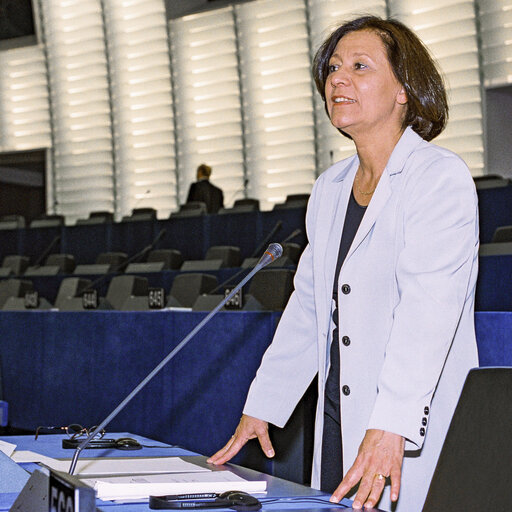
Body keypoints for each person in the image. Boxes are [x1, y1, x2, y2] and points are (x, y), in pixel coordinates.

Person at [207, 15, 479, 512]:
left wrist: (392, 424)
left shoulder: (439, 178)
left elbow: (428, 314)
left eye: (359, 66)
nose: (337, 79)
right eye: (332, 68)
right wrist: (263, 405)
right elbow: (310, 306)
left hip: (404, 424)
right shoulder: (330, 188)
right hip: (338, 416)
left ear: (404, 90)